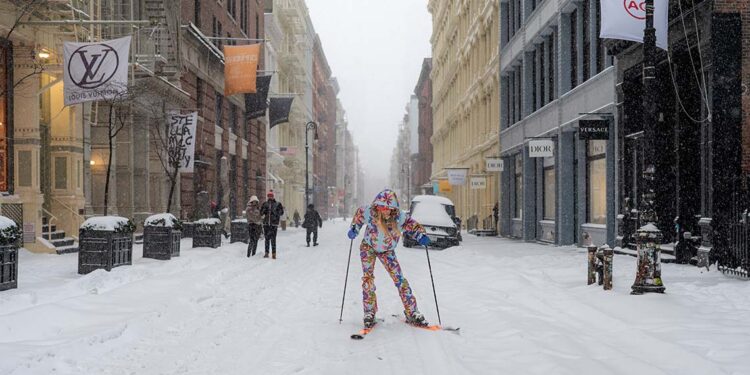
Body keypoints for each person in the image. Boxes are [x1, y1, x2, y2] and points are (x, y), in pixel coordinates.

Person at [347, 189, 431, 329]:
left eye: (388, 208)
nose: (384, 210)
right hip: (368, 247)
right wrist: (354, 228)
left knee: (400, 279)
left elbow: (412, 225)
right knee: (368, 279)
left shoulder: (399, 218)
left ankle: (412, 312)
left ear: (393, 209)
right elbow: (359, 216)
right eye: (381, 207)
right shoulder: (370, 212)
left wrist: (420, 235)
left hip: (387, 251)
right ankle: (369, 312)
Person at [260, 190, 284, 259]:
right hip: (266, 224)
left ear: (273, 197)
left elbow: (281, 212)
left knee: (273, 240)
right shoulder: (265, 204)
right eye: (269, 196)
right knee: (267, 239)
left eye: (271, 196)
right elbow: (261, 213)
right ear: (268, 197)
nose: (270, 197)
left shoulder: (278, 204)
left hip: (274, 224)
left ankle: (274, 253)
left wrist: (276, 213)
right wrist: (263, 210)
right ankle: (266, 253)